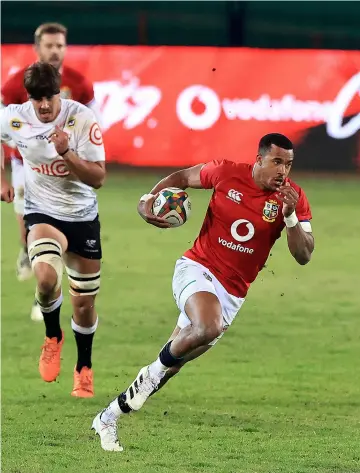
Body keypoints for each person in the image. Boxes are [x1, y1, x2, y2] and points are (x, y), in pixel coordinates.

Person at [91, 133, 315, 452]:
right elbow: (181, 177)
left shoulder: (293, 198)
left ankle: (108, 417)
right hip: (197, 269)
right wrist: (148, 200)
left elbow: (304, 255)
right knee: (205, 328)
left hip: (231, 296)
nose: (283, 171)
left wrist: (291, 216)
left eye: (289, 164)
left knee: (173, 364)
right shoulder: (226, 173)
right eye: (277, 162)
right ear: (260, 159)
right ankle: (151, 371)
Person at [0, 62, 106, 398]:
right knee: (45, 279)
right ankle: (52, 336)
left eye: (49, 97)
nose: (43, 105)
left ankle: (83, 367)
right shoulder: (15, 117)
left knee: (84, 306)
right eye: (36, 99)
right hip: (42, 212)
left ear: (59, 93)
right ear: (28, 97)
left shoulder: (82, 120)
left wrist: (67, 152)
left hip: (83, 216)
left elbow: (98, 178)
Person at [1, 22, 101, 321]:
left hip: (67, 169)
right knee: (34, 226)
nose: (55, 51)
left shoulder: (78, 82)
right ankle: (40, 286)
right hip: (26, 164)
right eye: (49, 45)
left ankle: (54, 283)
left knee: (64, 230)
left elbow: (95, 121)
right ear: (37, 48)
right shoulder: (15, 84)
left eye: (60, 45)